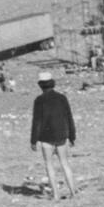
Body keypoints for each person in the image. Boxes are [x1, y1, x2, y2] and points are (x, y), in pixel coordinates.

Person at [30, 71, 78, 199]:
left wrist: (33, 140)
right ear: (52, 83)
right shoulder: (62, 98)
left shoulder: (39, 100)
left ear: (40, 85)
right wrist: (72, 136)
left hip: (46, 137)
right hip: (61, 135)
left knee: (49, 165)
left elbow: (36, 122)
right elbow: (69, 117)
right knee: (64, 163)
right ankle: (73, 192)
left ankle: (55, 194)